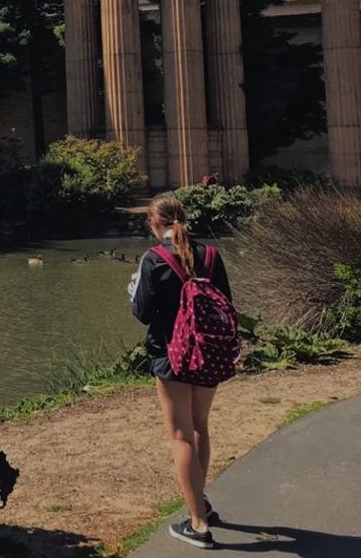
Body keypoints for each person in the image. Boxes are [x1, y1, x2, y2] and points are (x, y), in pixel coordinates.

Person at [128, 193, 234, 549]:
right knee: (200, 428)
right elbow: (227, 305)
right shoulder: (211, 255)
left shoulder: (153, 259)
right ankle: (199, 501)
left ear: (153, 224)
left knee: (180, 436)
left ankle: (199, 524)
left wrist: (134, 289)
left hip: (171, 357)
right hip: (209, 354)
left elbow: (142, 312)